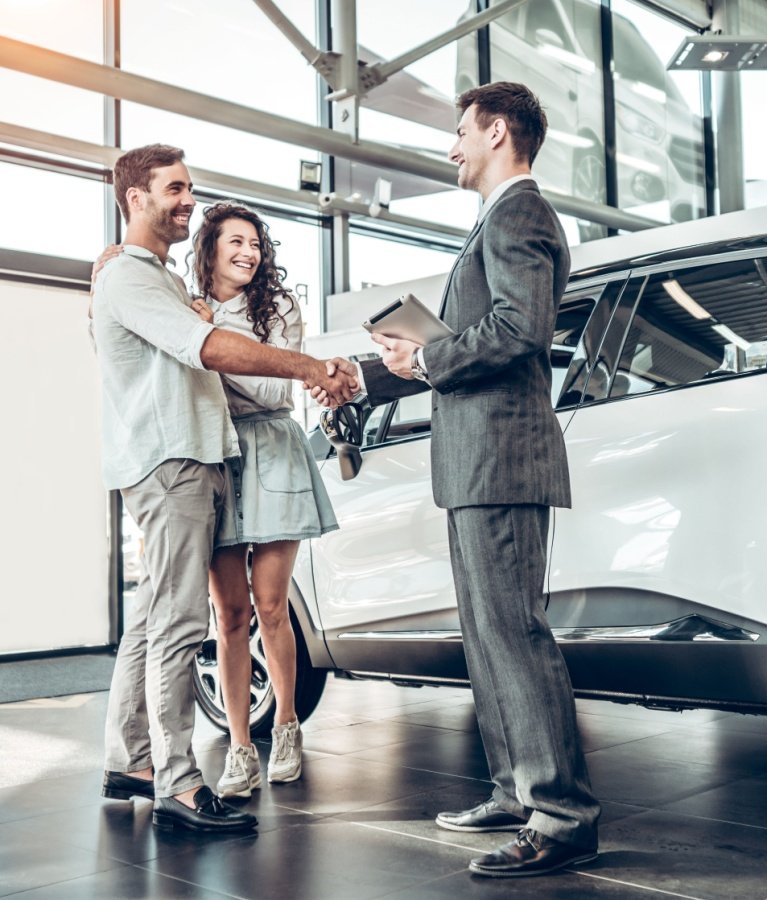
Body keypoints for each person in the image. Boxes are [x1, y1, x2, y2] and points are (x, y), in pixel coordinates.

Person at [310, 82, 600, 877]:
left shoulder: (520, 215)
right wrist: (374, 373)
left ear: (498, 131)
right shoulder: (497, 222)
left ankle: (562, 815)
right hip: (476, 463)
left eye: (461, 132)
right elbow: (466, 341)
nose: (452, 147)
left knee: (514, 634)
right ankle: (515, 790)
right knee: (488, 637)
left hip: (502, 459)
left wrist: (428, 356)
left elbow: (517, 330)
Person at [92, 144, 356, 833]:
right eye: (175, 189)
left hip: (191, 460)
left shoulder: (148, 276)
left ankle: (131, 761)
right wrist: (307, 367)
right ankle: (180, 784)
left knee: (153, 620)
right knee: (183, 623)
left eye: (189, 190)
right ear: (135, 199)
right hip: (174, 463)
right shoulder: (133, 278)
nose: (187, 200)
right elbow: (205, 348)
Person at [185, 202, 338, 798]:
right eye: (235, 243)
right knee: (228, 616)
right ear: (211, 249)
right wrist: (201, 336)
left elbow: (276, 386)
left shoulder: (279, 307)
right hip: (216, 454)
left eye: (254, 243)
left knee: (273, 607)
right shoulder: (189, 307)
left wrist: (214, 343)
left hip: (273, 448)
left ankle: (288, 725)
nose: (248, 252)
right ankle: (241, 748)